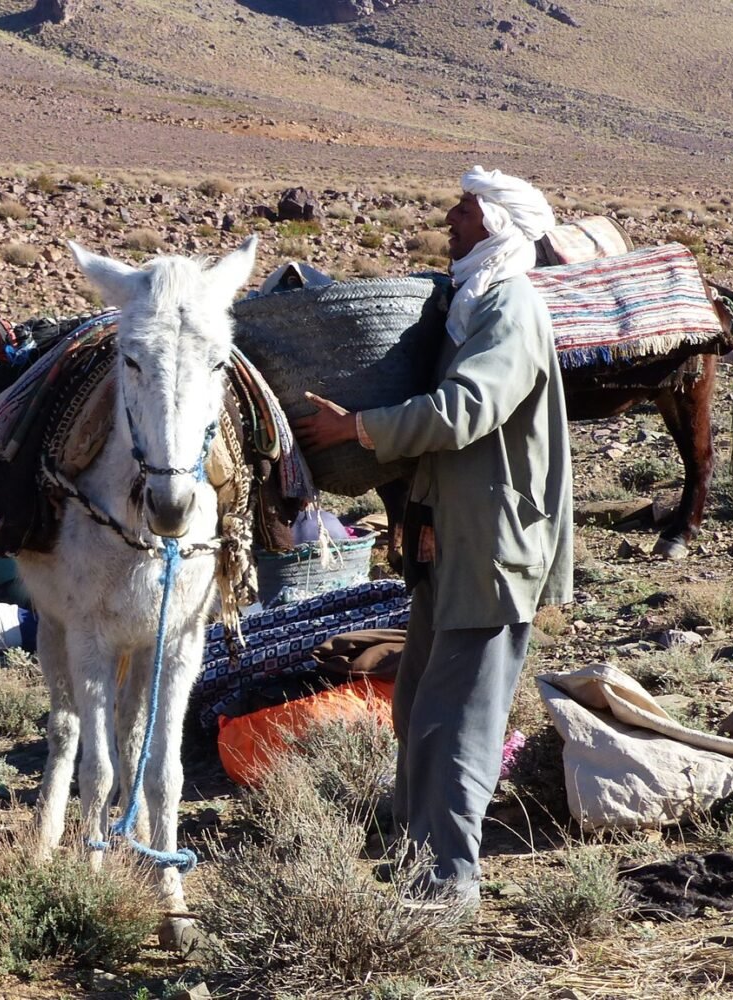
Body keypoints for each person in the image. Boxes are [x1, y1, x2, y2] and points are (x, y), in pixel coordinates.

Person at [292, 166, 573, 905]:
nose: (451, 216)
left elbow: (466, 409)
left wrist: (359, 427)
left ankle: (450, 880)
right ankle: (419, 854)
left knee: (457, 718)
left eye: (466, 208)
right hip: (450, 538)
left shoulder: (508, 306)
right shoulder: (472, 303)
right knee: (417, 702)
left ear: (498, 225)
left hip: (492, 543)